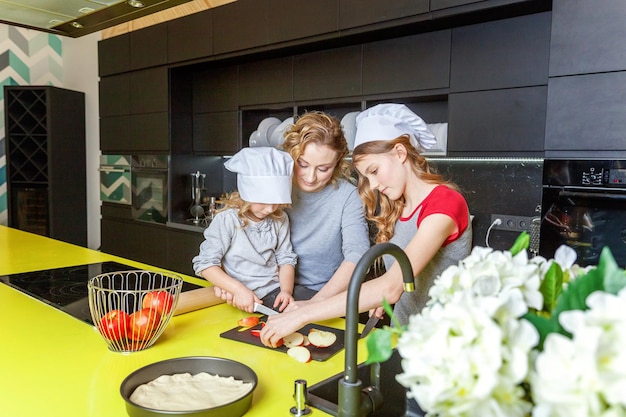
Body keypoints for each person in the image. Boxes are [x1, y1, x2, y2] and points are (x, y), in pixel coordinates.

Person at [260, 103, 472, 347]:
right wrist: (312, 305)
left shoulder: (445, 202)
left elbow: (391, 286)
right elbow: (408, 285)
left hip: (443, 343)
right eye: (366, 176)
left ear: (400, 153)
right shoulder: (401, 205)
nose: (371, 185)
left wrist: (304, 313)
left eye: (374, 170)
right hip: (404, 338)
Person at [214, 112, 371, 303]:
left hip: (323, 296)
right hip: (268, 293)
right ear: (291, 154)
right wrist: (226, 279)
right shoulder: (271, 189)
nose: (311, 177)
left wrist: (313, 305)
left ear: (338, 163)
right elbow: (236, 239)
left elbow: (357, 255)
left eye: (323, 169)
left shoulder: (348, 197)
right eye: (303, 164)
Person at [192, 147, 297, 313]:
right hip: (239, 297)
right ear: (246, 192)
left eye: (276, 201)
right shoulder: (228, 219)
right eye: (263, 200)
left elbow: (285, 259)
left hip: (274, 293)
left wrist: (286, 291)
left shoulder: (280, 218)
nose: (270, 208)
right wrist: (238, 289)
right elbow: (206, 264)